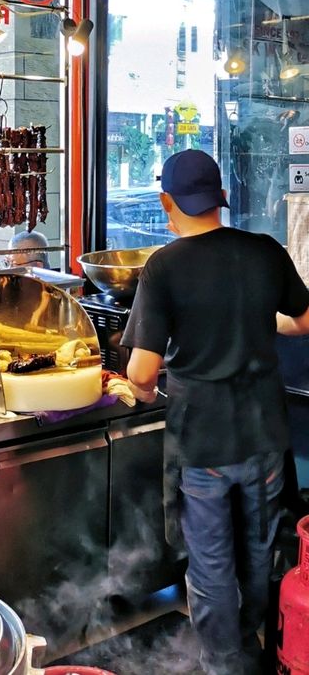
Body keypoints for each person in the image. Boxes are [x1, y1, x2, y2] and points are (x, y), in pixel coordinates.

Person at [120, 149, 309, 675]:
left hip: (202, 441)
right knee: (258, 551)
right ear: (220, 197)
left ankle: (227, 665)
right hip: (266, 435)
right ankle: (255, 648)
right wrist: (251, 324)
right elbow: (303, 319)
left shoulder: (165, 265)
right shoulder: (265, 250)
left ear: (167, 202)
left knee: (211, 566)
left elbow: (140, 373)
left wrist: (139, 389)